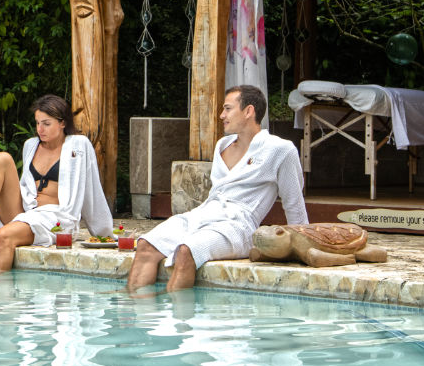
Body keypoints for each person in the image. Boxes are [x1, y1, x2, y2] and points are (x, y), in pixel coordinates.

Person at [127, 85, 308, 293]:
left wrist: (304, 246)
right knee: (145, 245)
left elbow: (293, 202)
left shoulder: (280, 150)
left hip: (238, 226)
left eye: (228, 109)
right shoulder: (222, 145)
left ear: (249, 111)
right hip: (203, 215)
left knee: (187, 251)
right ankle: (138, 319)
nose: (222, 115)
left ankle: (178, 322)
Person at [0, 94, 113, 274]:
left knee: (3, 236)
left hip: (55, 218)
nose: (40, 129)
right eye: (37, 123)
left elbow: (91, 188)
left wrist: (103, 233)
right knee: (1, 159)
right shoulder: (30, 145)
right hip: (26, 210)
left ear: (62, 123)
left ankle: (2, 296)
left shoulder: (79, 145)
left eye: (46, 124)